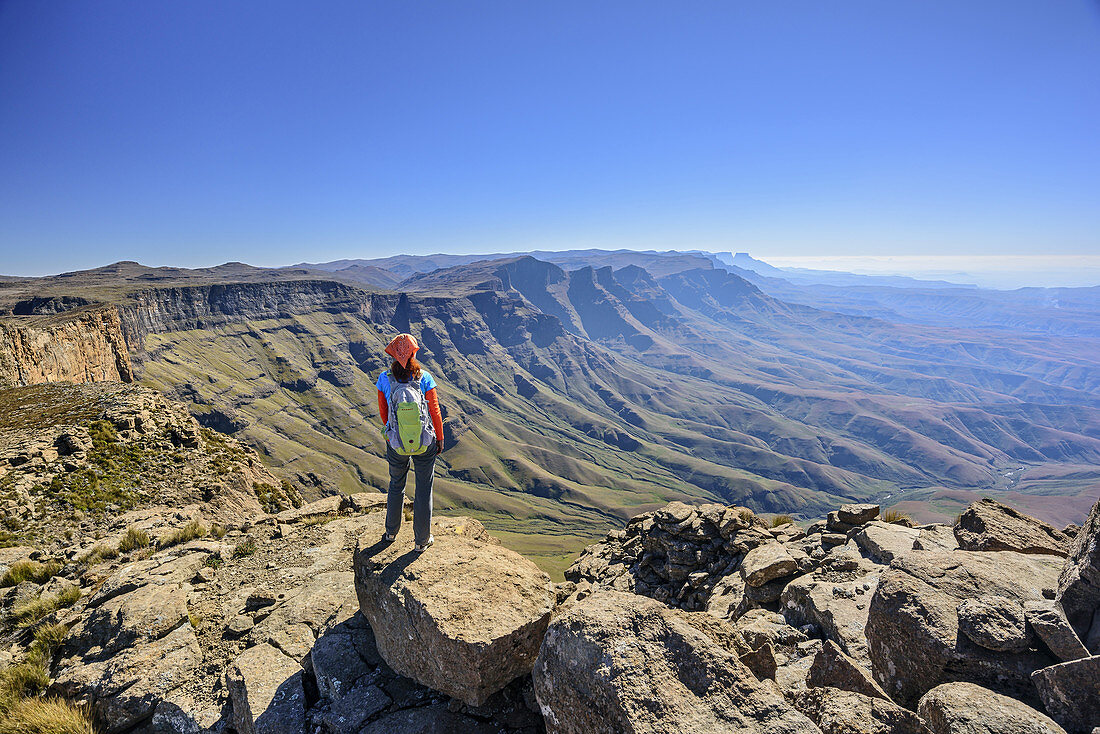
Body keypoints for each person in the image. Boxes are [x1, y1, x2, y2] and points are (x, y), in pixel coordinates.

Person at [376, 333, 444, 551]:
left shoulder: (384, 379)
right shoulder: (424, 378)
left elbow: (384, 414)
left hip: (396, 443)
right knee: (424, 489)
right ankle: (421, 541)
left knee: (396, 485)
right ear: (415, 353)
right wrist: (439, 438)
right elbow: (434, 411)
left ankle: (390, 533)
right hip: (425, 443)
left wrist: (395, 434)